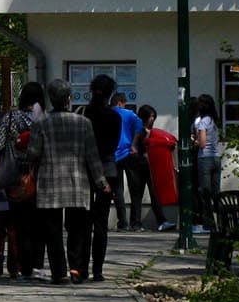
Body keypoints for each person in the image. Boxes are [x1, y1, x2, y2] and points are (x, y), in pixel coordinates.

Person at [25, 78, 111, 283]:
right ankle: (76, 268)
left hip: (50, 183)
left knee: (52, 230)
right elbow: (92, 156)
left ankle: (59, 272)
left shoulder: (41, 124)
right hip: (78, 182)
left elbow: (33, 154)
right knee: (78, 228)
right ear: (69, 98)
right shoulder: (83, 123)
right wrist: (101, 182)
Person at [0, 81, 45, 280]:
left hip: (15, 177)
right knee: (37, 223)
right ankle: (37, 265)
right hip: (39, 176)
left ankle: (20, 267)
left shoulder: (11, 117)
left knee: (17, 224)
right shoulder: (43, 119)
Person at [78, 74, 122, 281]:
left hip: (84, 169)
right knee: (101, 222)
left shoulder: (83, 114)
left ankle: (82, 268)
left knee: (84, 222)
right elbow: (113, 146)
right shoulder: (114, 117)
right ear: (110, 93)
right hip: (107, 169)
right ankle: (98, 270)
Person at [135, 104, 177, 230]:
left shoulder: (153, 132)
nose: (152, 119)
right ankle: (136, 222)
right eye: (150, 116)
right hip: (141, 165)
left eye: (154, 116)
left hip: (153, 166)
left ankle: (161, 221)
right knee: (138, 194)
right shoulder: (140, 131)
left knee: (154, 194)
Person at [112, 91, 148, 231]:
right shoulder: (130, 114)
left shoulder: (108, 114)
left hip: (114, 155)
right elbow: (140, 128)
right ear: (121, 101)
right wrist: (134, 144)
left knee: (118, 190)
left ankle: (122, 223)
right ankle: (136, 222)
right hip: (129, 153)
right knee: (135, 189)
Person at [192, 93, 222, 232]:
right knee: (216, 193)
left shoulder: (203, 122)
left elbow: (202, 143)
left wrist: (194, 141)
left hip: (205, 159)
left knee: (205, 193)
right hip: (216, 157)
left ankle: (207, 224)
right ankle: (221, 223)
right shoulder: (214, 121)